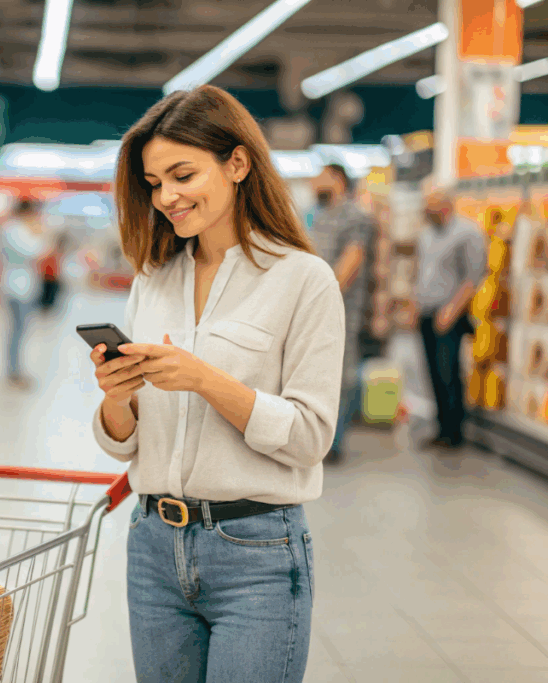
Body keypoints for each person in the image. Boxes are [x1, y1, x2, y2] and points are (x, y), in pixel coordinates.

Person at [89, 85, 345, 683]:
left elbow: (310, 437)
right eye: (154, 183)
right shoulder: (154, 276)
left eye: (182, 174)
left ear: (237, 163)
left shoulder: (303, 280)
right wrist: (116, 395)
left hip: (256, 553)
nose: (167, 197)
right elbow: (124, 442)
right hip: (152, 546)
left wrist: (206, 380)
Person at [309, 163, 377, 464]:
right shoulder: (319, 214)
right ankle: (318, 437)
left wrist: (325, 297)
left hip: (341, 309)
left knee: (343, 374)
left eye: (319, 176)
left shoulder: (355, 216)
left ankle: (333, 443)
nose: (313, 183)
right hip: (313, 308)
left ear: (336, 179)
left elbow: (352, 261)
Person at [414, 187, 486, 450]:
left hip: (450, 314)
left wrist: (451, 310)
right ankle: (441, 427)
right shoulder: (426, 234)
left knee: (448, 372)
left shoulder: (468, 233)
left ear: (445, 204)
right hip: (427, 311)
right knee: (432, 372)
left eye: (429, 203)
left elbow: (473, 277)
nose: (425, 208)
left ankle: (454, 432)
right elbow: (421, 271)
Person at [0, 198, 47, 389]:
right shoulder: (13, 229)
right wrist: (39, 233)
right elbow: (36, 252)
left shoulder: (16, 229)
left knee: (19, 332)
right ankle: (14, 372)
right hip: (16, 287)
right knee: (16, 332)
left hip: (22, 286)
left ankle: (15, 370)